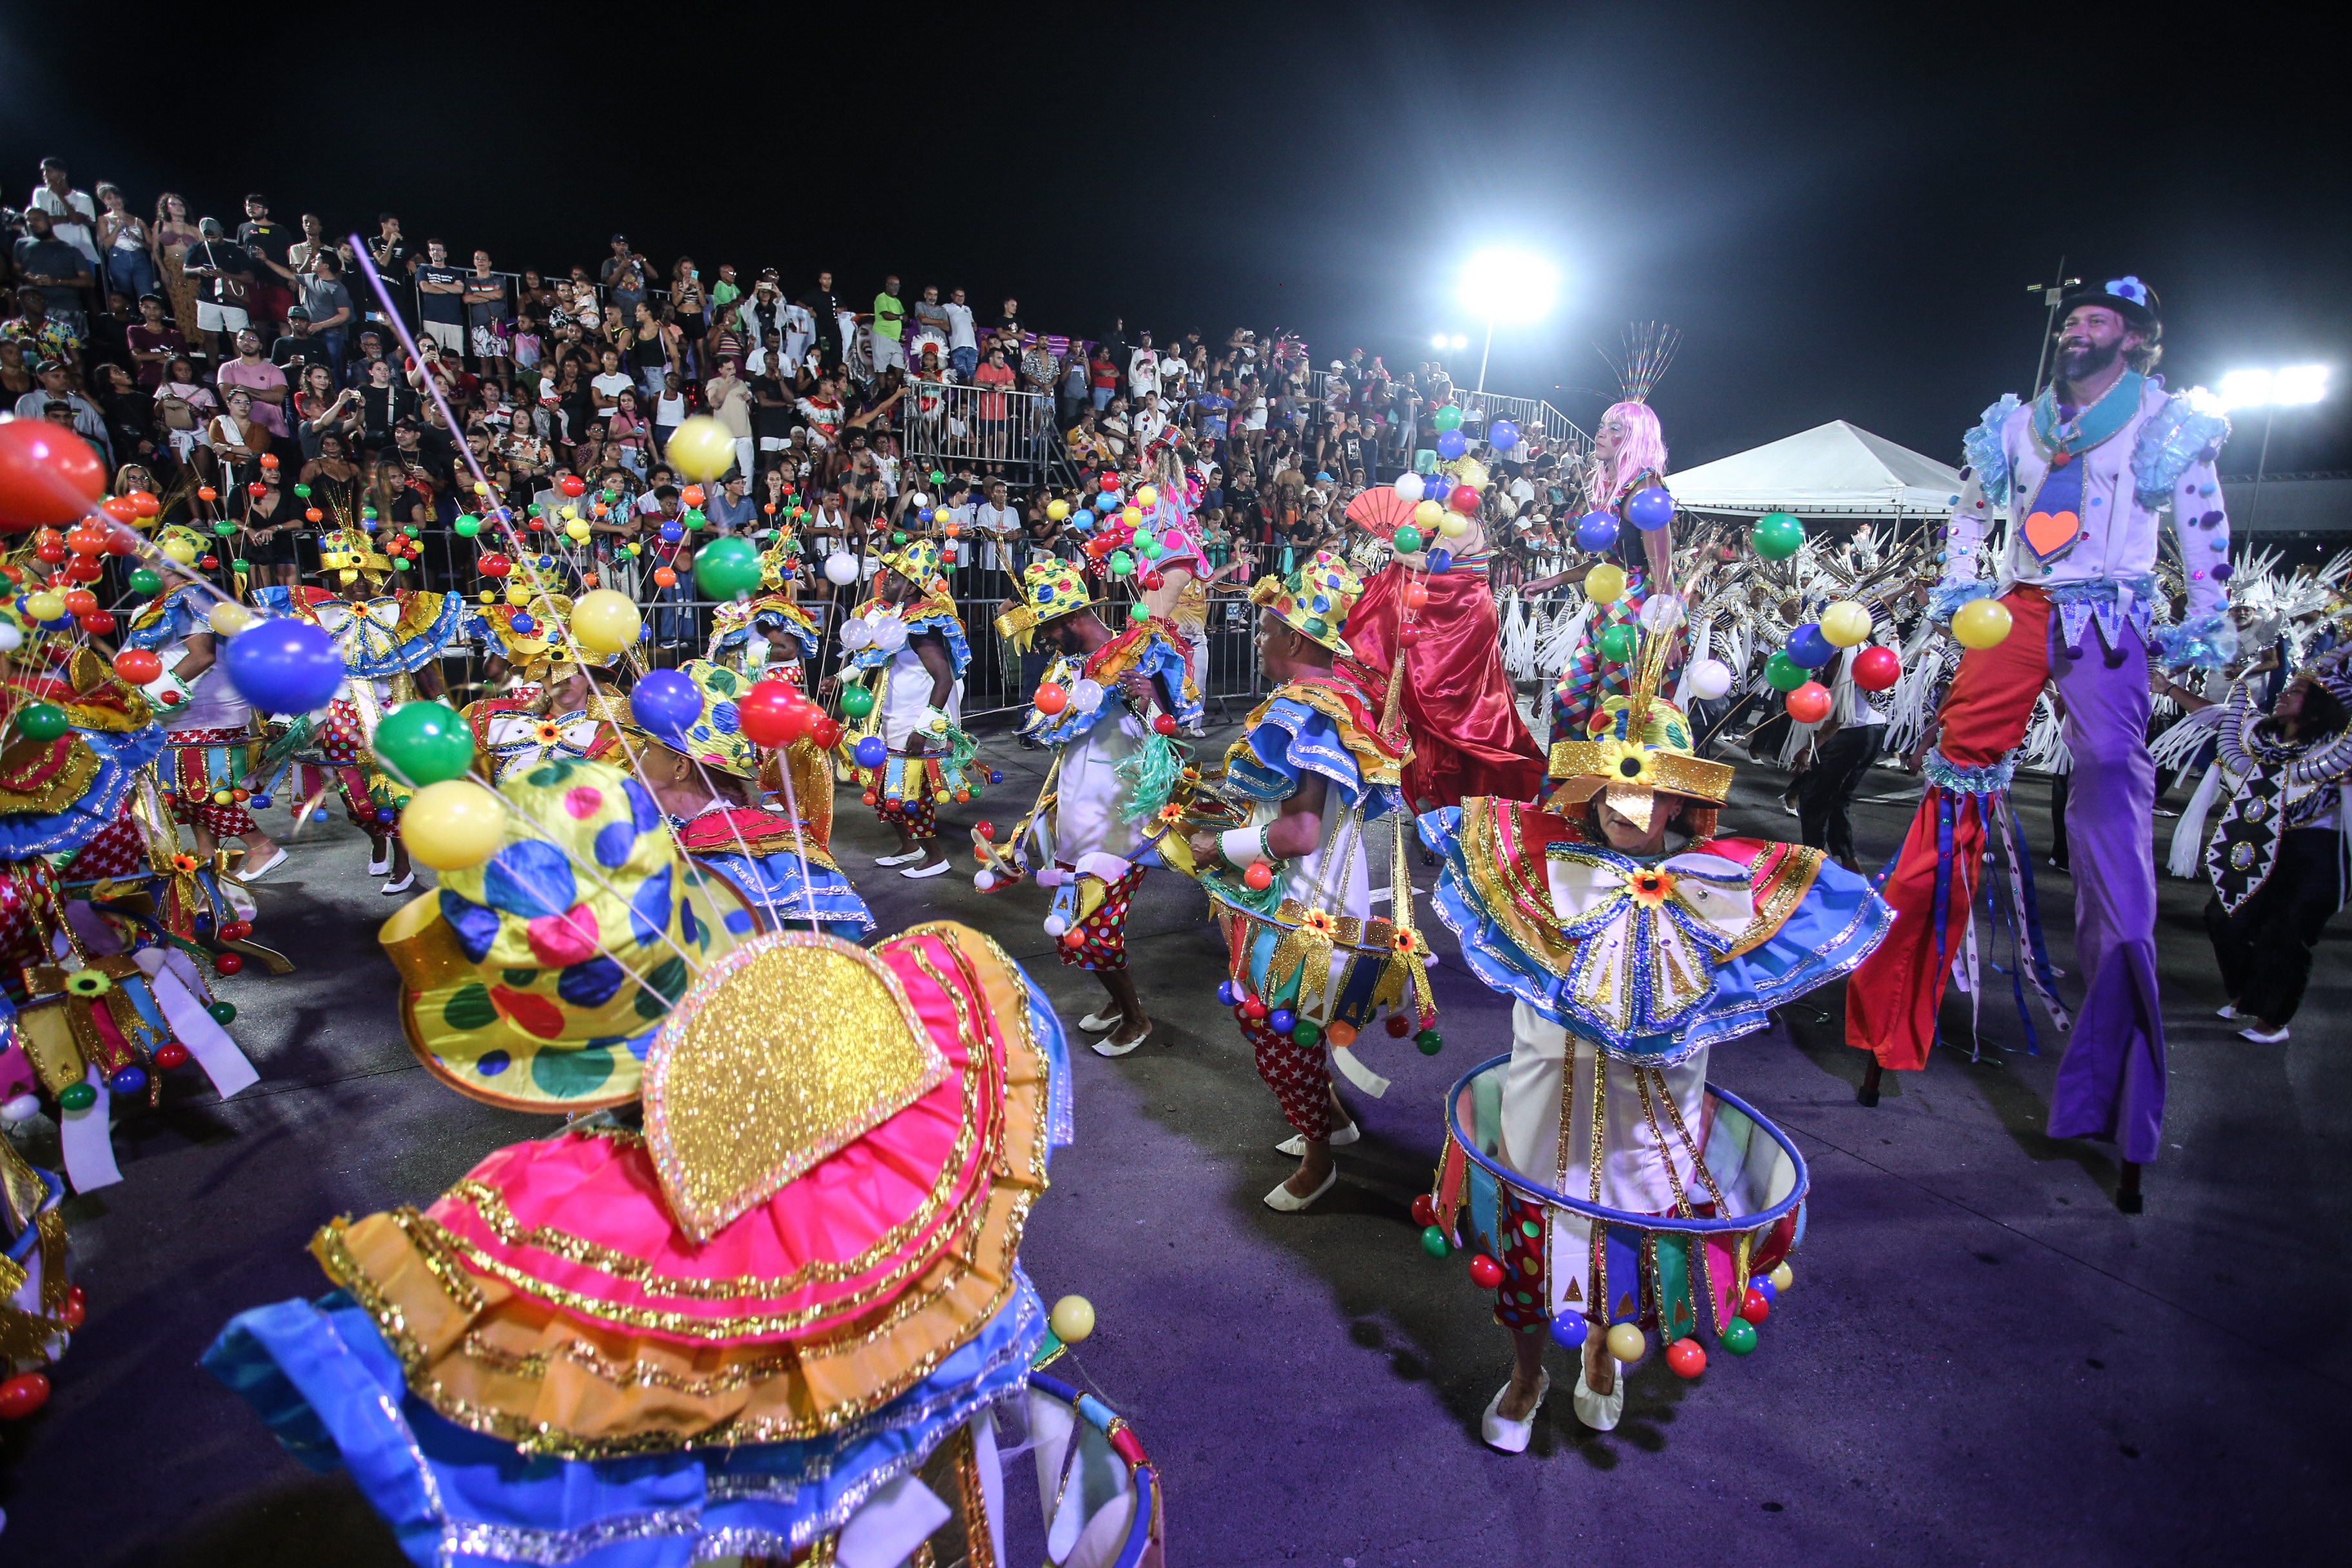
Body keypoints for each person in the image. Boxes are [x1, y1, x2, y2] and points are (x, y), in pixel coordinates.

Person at [1415, 627, 1890, 1449]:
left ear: (1681, 803)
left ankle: (1603, 1354)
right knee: (1529, 1267)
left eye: (1646, 791)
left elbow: (1840, 903)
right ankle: (1527, 1372)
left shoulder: (1723, 888)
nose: (1622, 804)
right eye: (1606, 788)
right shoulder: (1541, 870)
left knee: (1621, 1264)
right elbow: (1446, 819)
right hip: (1538, 1113)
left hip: (1652, 1135)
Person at [1844, 277, 2236, 1200]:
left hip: (2110, 616)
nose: (2078, 330)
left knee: (2111, 794)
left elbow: (2203, 526)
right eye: (2073, 319)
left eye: (2098, 321)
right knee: (1952, 787)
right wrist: (1957, 582)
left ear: (2135, 341)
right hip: (2015, 611)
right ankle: (1889, 1023)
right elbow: (1968, 507)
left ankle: (2117, 1089)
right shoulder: (2016, 425)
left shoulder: (2170, 422)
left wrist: (2209, 618)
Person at [1184, 552, 1427, 1211]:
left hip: (1303, 911)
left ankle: (1319, 1161)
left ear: (1293, 638)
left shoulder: (1310, 711)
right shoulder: (1326, 702)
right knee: (1298, 1032)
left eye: (1264, 632)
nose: (1258, 642)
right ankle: (1337, 1121)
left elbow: (1298, 834)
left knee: (1279, 1036)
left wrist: (1217, 845)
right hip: (1306, 899)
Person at [986, 560, 1201, 1055]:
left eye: (1048, 629)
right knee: (1074, 917)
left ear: (1072, 619)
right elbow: (1047, 730)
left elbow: (1183, 718)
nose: (1045, 640)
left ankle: (1135, 1017)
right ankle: (1115, 998)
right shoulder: (1066, 668)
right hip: (1078, 808)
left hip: (1123, 814)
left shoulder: (1142, 649)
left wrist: (1150, 699)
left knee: (1090, 925)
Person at [1340, 473, 1547, 811]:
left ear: (1464, 489)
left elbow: (1434, 565)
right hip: (1470, 616)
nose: (1438, 482)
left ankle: (1449, 790)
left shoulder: (1459, 524)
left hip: (1460, 623)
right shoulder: (1463, 521)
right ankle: (1444, 789)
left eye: (1449, 479)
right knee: (1462, 702)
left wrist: (1395, 552)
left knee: (1443, 702)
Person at [2201, 652, 2352, 1044]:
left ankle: (2273, 1019)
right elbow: (2218, 716)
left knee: (2287, 929)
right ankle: (2248, 993)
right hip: (2261, 838)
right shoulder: (2259, 738)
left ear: (2322, 704)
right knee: (2224, 916)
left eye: (2298, 690)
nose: (2284, 693)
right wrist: (2166, 687)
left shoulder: (2340, 748)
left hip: (2320, 848)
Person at [123, 528, 289, 878]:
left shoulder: (191, 598)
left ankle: (262, 847)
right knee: (186, 796)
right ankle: (208, 865)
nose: (138, 569)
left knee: (207, 792)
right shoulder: (158, 604)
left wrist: (156, 692)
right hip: (180, 715)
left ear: (168, 564)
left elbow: (201, 656)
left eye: (144, 562)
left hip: (206, 713)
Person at [834, 539, 987, 878]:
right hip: (892, 716)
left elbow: (943, 680)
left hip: (915, 721)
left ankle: (935, 857)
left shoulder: (922, 625)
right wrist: (840, 677)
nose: (885, 580)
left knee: (910, 793)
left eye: (894, 577)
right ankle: (909, 847)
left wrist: (923, 727)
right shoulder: (896, 619)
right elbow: (876, 655)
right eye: (887, 575)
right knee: (887, 787)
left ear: (911, 586)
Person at [1546, 397, 1679, 740]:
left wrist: (1664, 634)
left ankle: (1602, 794)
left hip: (1640, 616)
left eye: (1614, 428)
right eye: (1603, 425)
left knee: (1614, 715)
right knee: (1569, 702)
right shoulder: (1610, 488)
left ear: (1635, 438)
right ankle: (1566, 791)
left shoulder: (1646, 488)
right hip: (1607, 607)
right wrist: (1554, 580)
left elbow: (1661, 567)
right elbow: (1610, 562)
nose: (1600, 433)